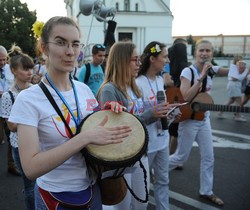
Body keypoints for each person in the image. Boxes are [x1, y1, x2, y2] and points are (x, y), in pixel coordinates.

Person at [8, 16, 131, 210]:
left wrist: (109, 115)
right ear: (44, 48)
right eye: (60, 42)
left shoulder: (83, 90)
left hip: (93, 188)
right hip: (56, 196)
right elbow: (31, 169)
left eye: (75, 44)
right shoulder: (28, 99)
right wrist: (84, 137)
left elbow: (96, 132)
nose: (70, 52)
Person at [97, 41, 171, 210]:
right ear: (122, 61)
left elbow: (139, 115)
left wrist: (162, 113)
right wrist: (150, 114)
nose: (139, 64)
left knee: (141, 202)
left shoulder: (132, 86)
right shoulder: (109, 90)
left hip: (139, 153)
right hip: (122, 157)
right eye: (135, 60)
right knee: (122, 205)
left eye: (139, 60)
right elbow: (115, 128)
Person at [169, 40, 228, 206]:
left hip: (204, 119)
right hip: (190, 120)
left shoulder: (212, 70)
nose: (204, 53)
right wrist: (201, 78)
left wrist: (240, 68)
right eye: (201, 50)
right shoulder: (188, 71)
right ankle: (156, 170)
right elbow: (185, 97)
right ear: (195, 52)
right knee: (181, 156)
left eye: (208, 51)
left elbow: (230, 72)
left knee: (209, 157)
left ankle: (206, 191)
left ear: (212, 53)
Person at [136, 41, 177, 210]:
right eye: (165, 56)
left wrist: (171, 113)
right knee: (142, 186)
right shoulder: (138, 83)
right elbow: (138, 117)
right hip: (147, 143)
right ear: (152, 59)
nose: (167, 60)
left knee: (163, 181)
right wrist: (154, 113)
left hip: (162, 140)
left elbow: (161, 107)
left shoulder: (160, 80)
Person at [1, 44, 35, 210]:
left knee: (41, 184)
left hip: (38, 143)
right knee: (30, 187)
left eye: (31, 69)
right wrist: (30, 119)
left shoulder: (36, 90)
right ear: (13, 70)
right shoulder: (9, 96)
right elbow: (11, 126)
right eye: (25, 69)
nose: (30, 73)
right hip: (19, 146)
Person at [166, 38, 188, 156]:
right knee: (173, 130)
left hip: (174, 99)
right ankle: (170, 156)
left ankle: (170, 156)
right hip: (173, 99)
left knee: (173, 130)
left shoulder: (169, 63)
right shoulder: (167, 64)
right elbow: (167, 81)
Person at [0, 45, 18, 175]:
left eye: (4, 59)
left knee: (11, 136)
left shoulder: (9, 69)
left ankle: (12, 165)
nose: (2, 62)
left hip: (8, 108)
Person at [218, 56, 248, 121]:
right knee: (239, 101)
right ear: (237, 61)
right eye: (241, 60)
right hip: (234, 84)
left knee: (231, 100)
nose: (242, 62)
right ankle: (237, 116)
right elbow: (234, 78)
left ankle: (221, 112)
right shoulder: (233, 67)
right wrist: (244, 74)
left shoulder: (236, 68)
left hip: (234, 84)